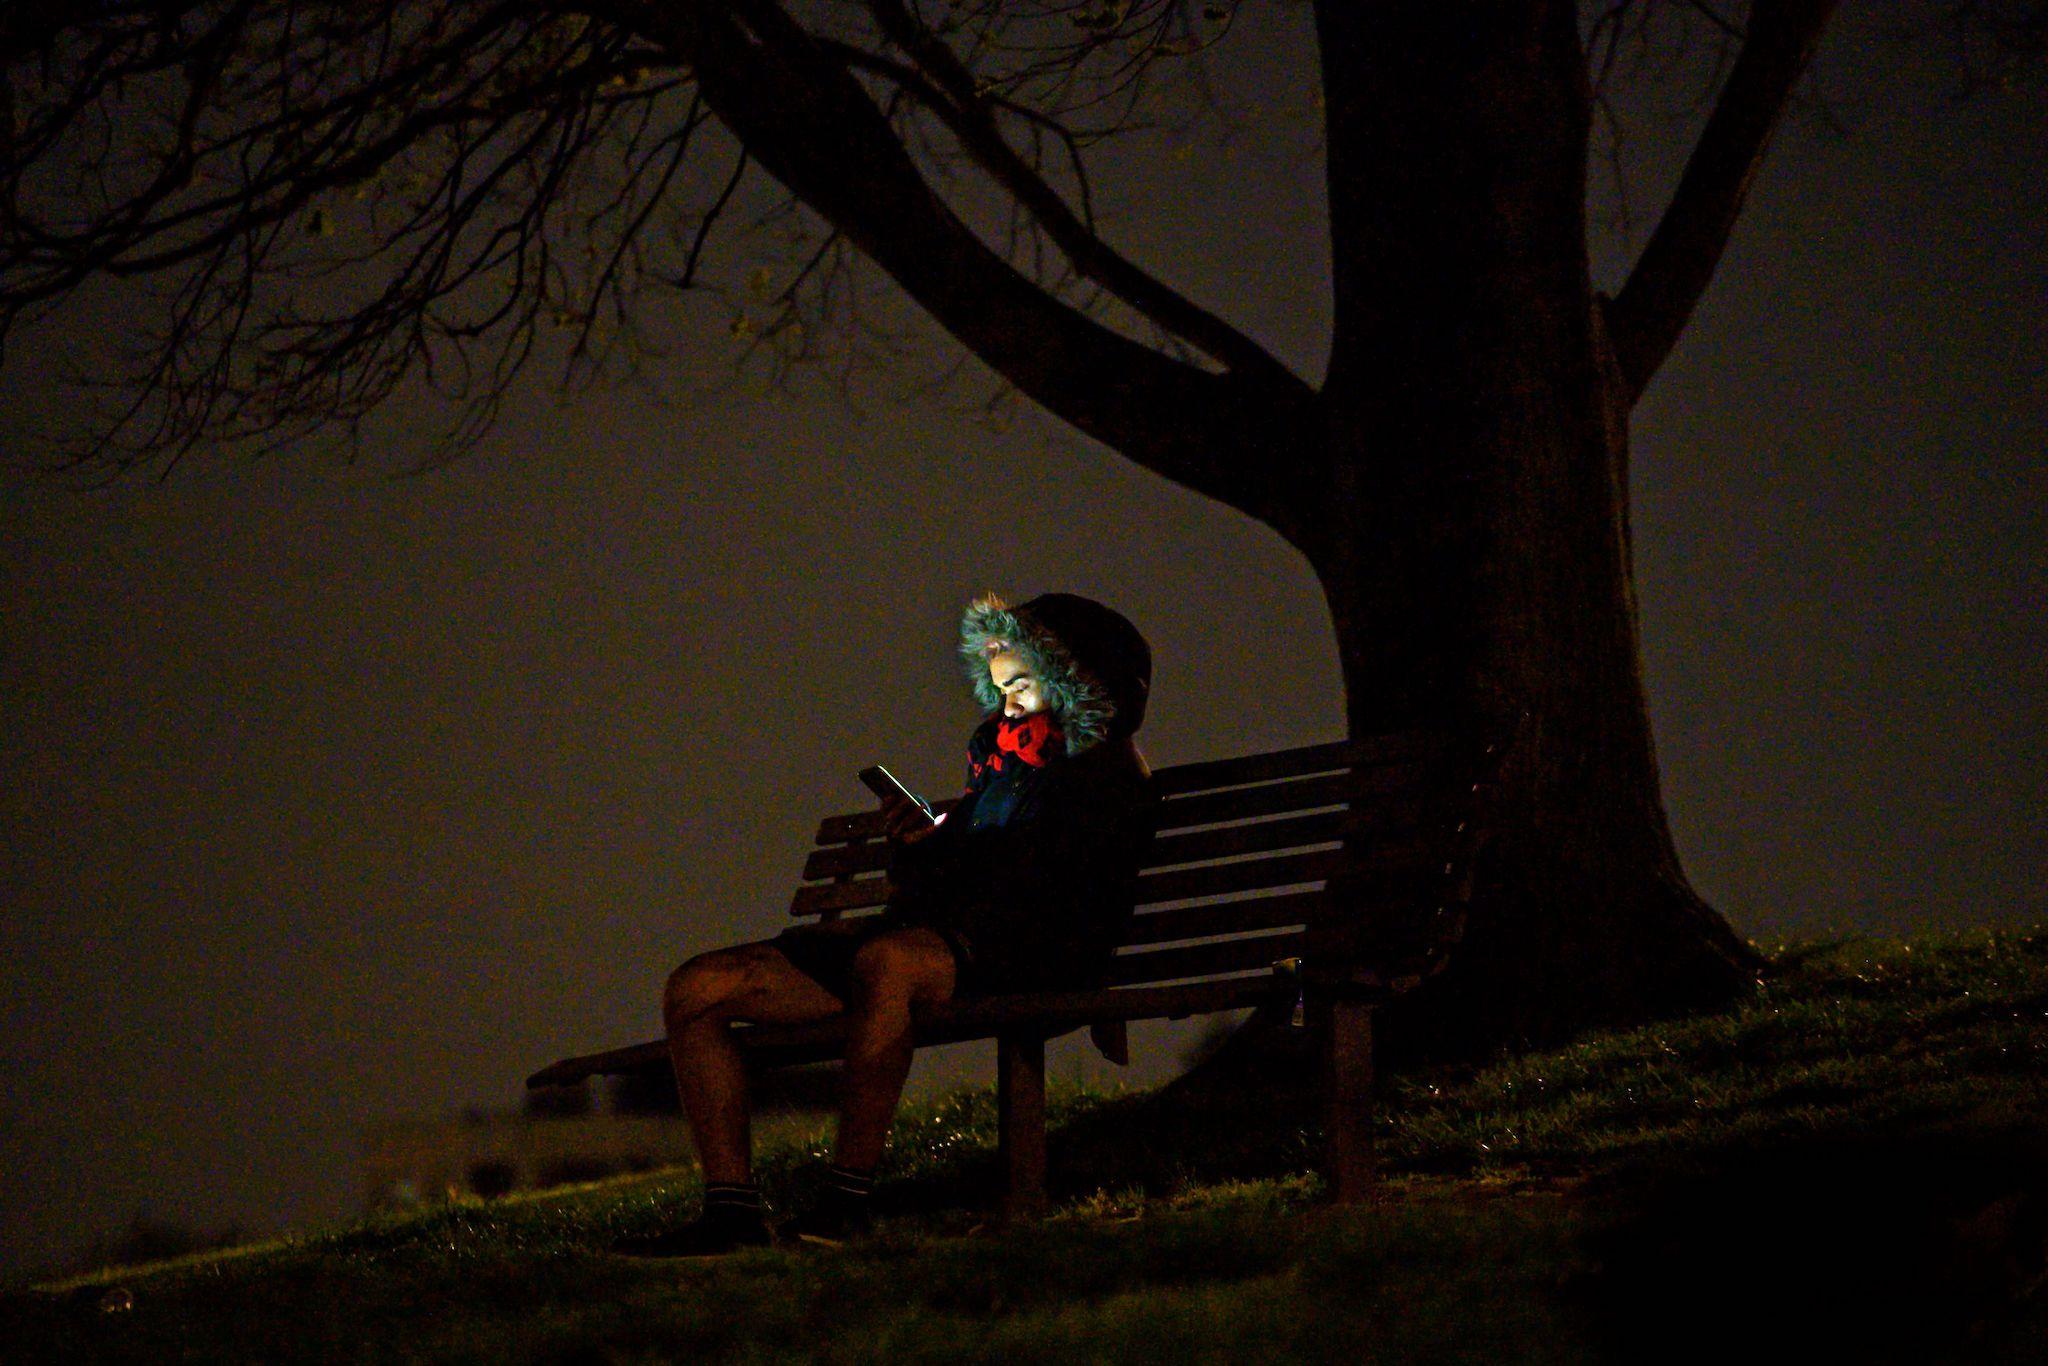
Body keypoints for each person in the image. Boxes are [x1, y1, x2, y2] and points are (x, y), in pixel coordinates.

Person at [615, 592, 1156, 1256]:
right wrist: (920, 843)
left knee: (889, 966)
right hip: (928, 941)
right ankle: (730, 1213)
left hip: (1020, 953)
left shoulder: (1102, 773)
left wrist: (953, 852)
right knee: (699, 987)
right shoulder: (1004, 755)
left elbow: (1045, 894)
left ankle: (848, 1202)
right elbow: (946, 877)